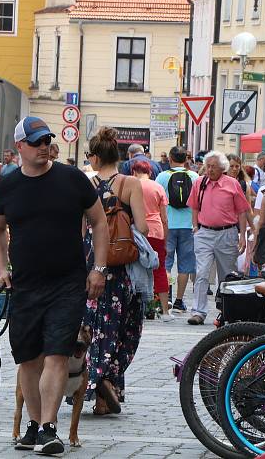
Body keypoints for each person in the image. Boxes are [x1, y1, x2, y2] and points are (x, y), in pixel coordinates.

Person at [0, 117, 109, 455]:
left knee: (57, 353)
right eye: (37, 141)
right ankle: (33, 424)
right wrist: (1, 267)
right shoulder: (8, 186)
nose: (44, 147)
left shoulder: (73, 180)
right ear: (20, 148)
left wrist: (98, 268)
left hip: (68, 283)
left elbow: (99, 222)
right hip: (25, 285)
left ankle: (48, 427)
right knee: (28, 358)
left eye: (47, 140)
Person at [84, 127, 148, 416]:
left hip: (91, 262)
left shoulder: (86, 183)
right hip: (121, 266)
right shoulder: (130, 184)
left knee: (95, 327)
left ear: (95, 158)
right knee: (124, 327)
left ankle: (97, 379)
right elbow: (144, 228)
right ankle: (108, 380)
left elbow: (79, 227)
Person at [186, 151, 250, 326]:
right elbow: (194, 207)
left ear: (223, 168)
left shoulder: (232, 184)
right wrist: (195, 227)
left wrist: (242, 235)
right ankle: (198, 312)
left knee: (226, 276)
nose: (209, 170)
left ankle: (226, 312)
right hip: (204, 233)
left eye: (213, 166)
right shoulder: (199, 183)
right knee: (202, 273)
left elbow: (242, 211)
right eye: (208, 166)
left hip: (227, 233)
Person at [155, 147, 199, 314]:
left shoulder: (162, 176)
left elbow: (157, 200)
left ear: (170, 158)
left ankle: (167, 299)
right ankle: (180, 301)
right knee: (185, 265)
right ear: (186, 159)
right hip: (188, 226)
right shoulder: (194, 177)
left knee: (166, 264)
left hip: (167, 225)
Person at [132, 159, 171, 321]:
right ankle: (164, 311)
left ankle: (138, 309)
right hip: (156, 231)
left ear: (134, 172)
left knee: (136, 270)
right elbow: (164, 218)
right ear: (150, 172)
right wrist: (165, 239)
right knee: (159, 269)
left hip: (137, 232)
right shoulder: (157, 187)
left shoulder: (131, 185)